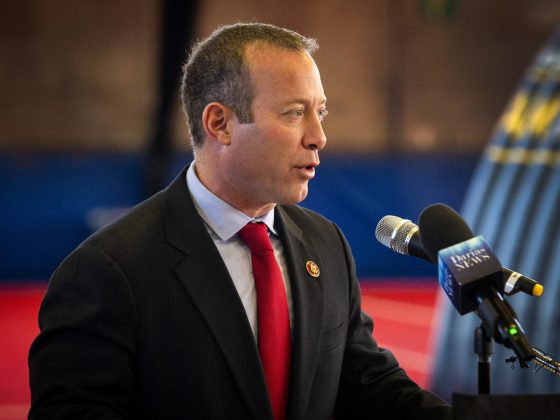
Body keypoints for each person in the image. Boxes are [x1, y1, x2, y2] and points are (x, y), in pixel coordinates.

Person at [28, 22, 452, 419]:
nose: (318, 137)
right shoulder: (109, 269)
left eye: (320, 112)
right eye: (294, 113)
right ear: (220, 124)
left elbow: (366, 383)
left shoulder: (326, 244)